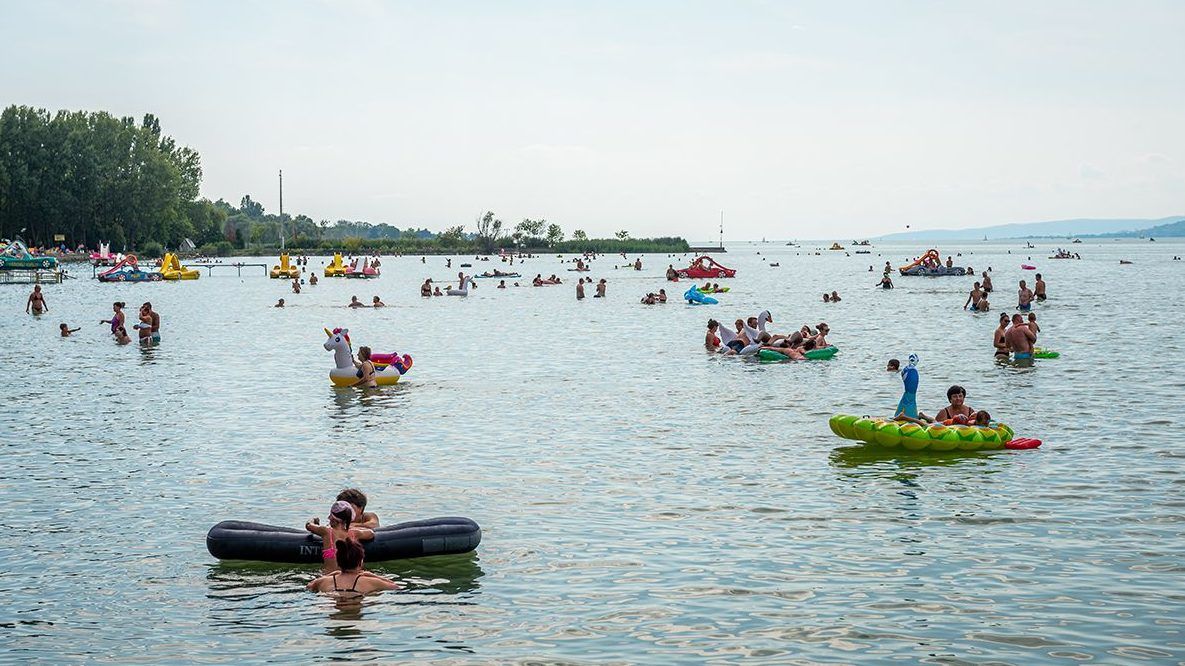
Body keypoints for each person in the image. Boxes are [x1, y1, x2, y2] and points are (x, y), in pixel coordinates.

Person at [306, 536, 400, 595]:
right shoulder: (370, 582)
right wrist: (371, 575)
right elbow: (395, 587)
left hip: (332, 610)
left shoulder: (324, 581)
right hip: (355, 617)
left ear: (338, 561)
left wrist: (332, 574)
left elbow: (309, 586)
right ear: (360, 562)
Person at [306, 500, 376, 574]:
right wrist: (356, 528)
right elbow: (371, 533)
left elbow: (309, 526)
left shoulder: (326, 531)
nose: (328, 518)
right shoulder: (354, 533)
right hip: (351, 577)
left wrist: (313, 520)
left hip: (330, 577)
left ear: (333, 518)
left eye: (330, 515)